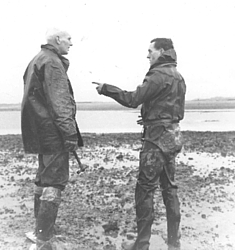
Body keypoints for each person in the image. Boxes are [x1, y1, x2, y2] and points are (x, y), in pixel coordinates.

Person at [93, 38, 186, 250]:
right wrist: (151, 116)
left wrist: (106, 89)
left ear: (161, 51)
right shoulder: (178, 76)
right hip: (172, 137)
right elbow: (170, 109)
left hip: (156, 141)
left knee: (144, 190)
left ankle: (142, 244)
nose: (147, 55)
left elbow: (133, 99)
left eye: (150, 51)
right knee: (169, 188)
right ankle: (174, 243)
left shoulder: (157, 75)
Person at [21, 28, 83, 250]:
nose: (71, 43)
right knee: (54, 183)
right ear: (57, 40)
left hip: (39, 131)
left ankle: (39, 231)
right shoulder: (53, 63)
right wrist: (70, 134)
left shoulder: (37, 60)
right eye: (69, 39)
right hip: (53, 133)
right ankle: (44, 239)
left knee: (43, 180)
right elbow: (60, 103)